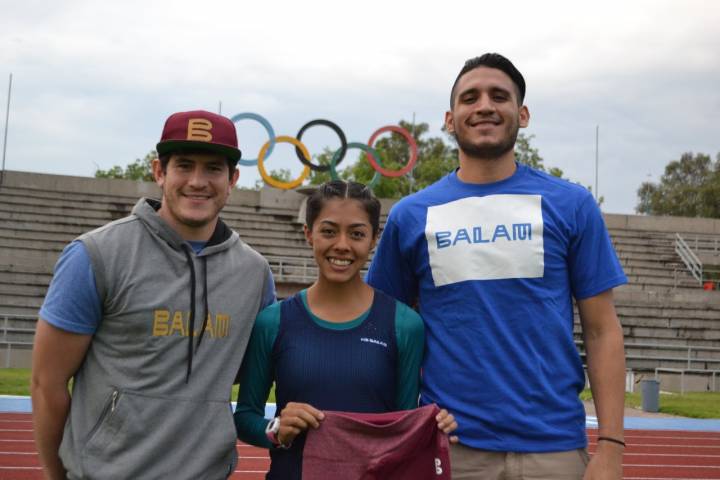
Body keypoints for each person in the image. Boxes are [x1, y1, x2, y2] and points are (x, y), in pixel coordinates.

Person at [367, 53, 627, 479]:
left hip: (554, 450)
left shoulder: (572, 204)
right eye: (470, 98)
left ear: (522, 115)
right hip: (451, 447)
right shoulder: (411, 215)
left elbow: (602, 330)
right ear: (449, 120)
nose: (485, 106)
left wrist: (612, 447)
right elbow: (381, 333)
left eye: (499, 96)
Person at [30, 110, 276, 479]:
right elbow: (46, 383)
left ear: (232, 180)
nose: (197, 181)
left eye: (213, 168)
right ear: (159, 172)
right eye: (184, 165)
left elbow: (249, 373)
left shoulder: (254, 274)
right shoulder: (96, 255)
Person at [234, 180, 457, 479]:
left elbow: (404, 426)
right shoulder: (273, 322)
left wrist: (435, 425)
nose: (342, 245)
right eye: (328, 231)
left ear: (374, 239)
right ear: (308, 233)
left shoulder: (404, 325)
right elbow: (245, 416)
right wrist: (276, 429)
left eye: (357, 234)